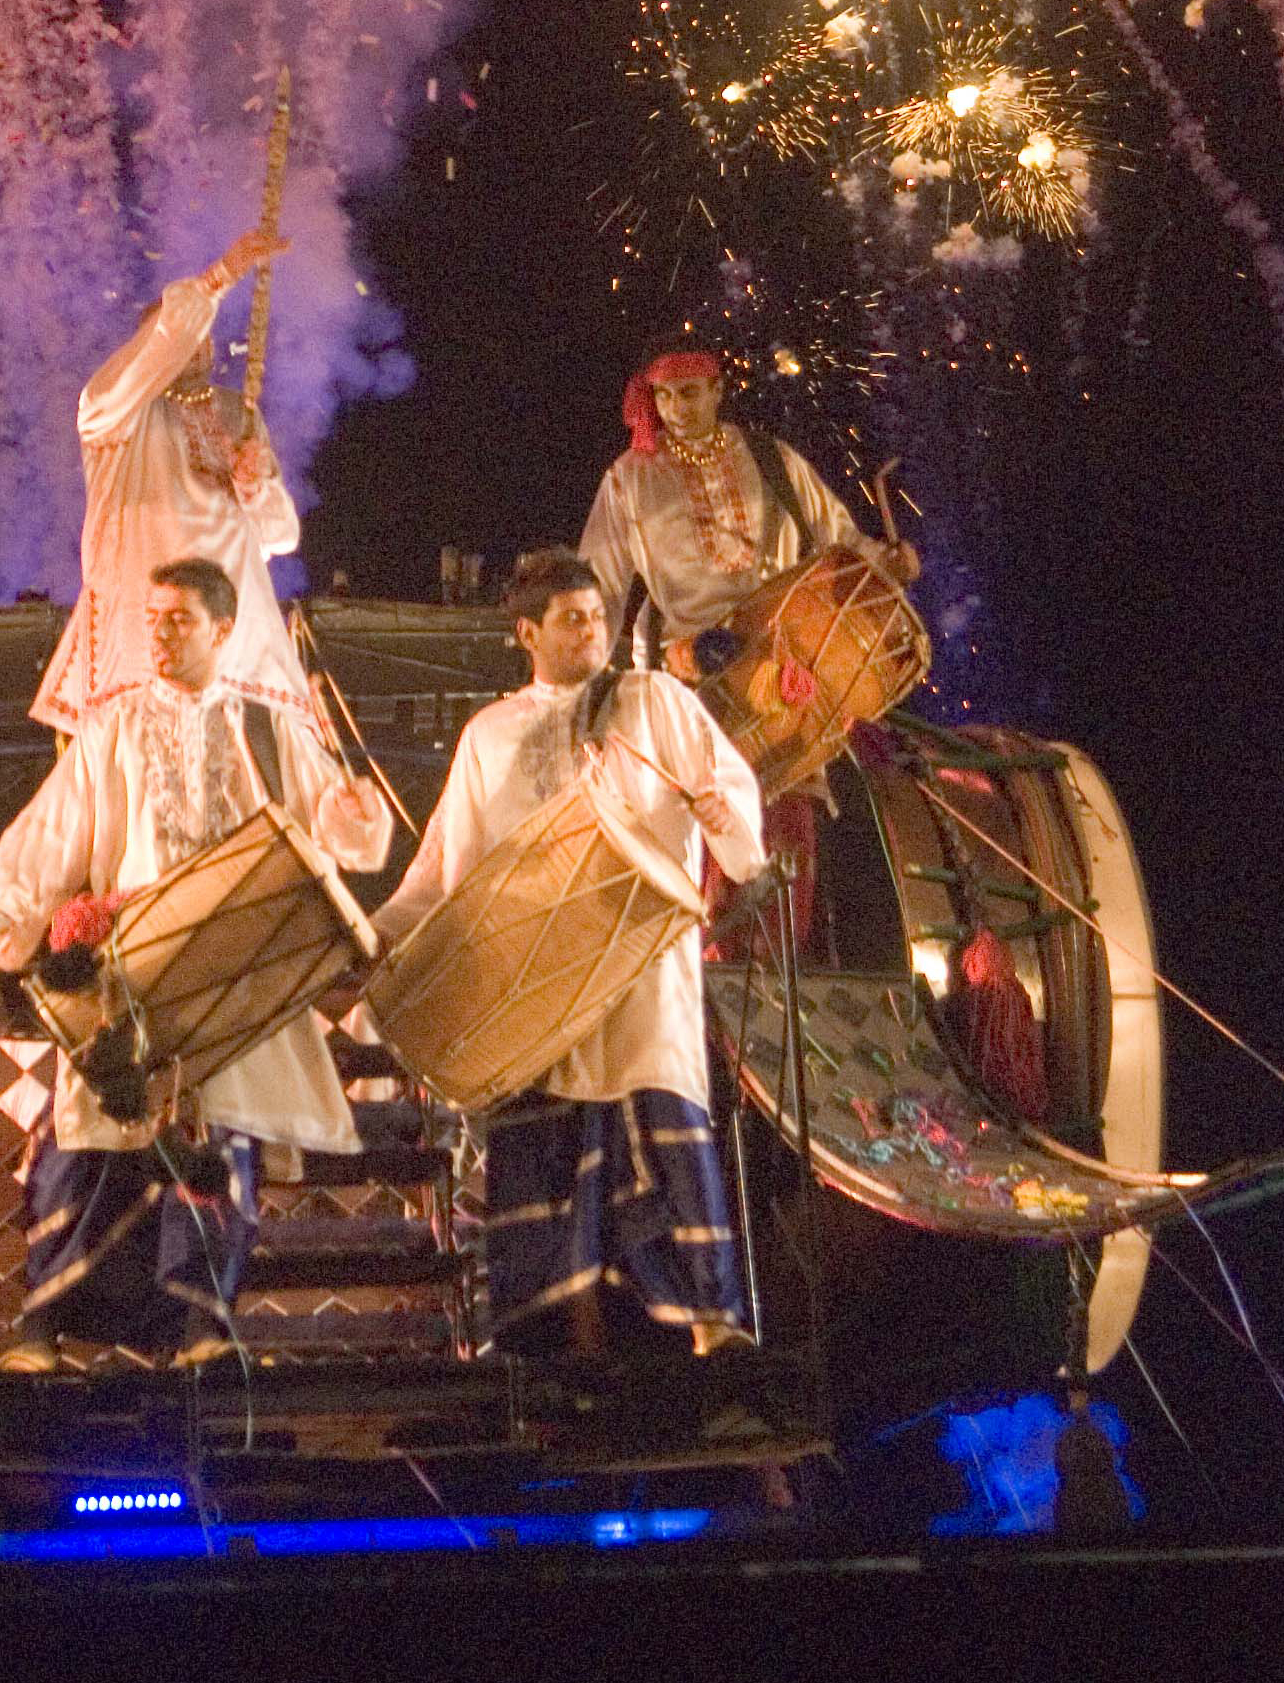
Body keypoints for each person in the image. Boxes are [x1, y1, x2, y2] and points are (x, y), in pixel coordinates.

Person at [0, 557, 394, 1363]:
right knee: (89, 1136)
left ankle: (203, 1329)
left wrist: (354, 812)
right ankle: (43, 1329)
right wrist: (5, 906)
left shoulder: (271, 725)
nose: (160, 634)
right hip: (134, 959)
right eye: (153, 617)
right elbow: (56, 827)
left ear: (224, 630)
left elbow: (338, 832)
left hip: (234, 967)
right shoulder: (114, 724)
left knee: (217, 1141)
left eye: (180, 620)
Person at [372, 548, 767, 1350]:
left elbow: (733, 801)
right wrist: (375, 941)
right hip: (539, 986)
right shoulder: (491, 734)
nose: (594, 632)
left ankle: (710, 1326)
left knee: (663, 1132)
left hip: (642, 976)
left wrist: (721, 817)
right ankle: (555, 1349)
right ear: (528, 632)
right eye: (573, 620)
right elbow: (447, 861)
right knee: (546, 1159)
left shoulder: (657, 701)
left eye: (599, 616)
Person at [30, 232, 316, 736]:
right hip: (144, 647)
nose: (194, 344)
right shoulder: (112, 416)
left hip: (236, 648)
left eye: (200, 334)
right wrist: (220, 276)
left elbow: (281, 537)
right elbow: (145, 361)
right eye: (178, 336)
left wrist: (254, 487)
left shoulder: (236, 412)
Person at [577, 338, 914, 680]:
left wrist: (886, 563)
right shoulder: (631, 477)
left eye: (689, 393)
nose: (675, 408)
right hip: (686, 669)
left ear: (716, 390)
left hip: (784, 657)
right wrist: (578, 676)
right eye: (664, 395)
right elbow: (601, 587)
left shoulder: (770, 457)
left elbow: (839, 537)